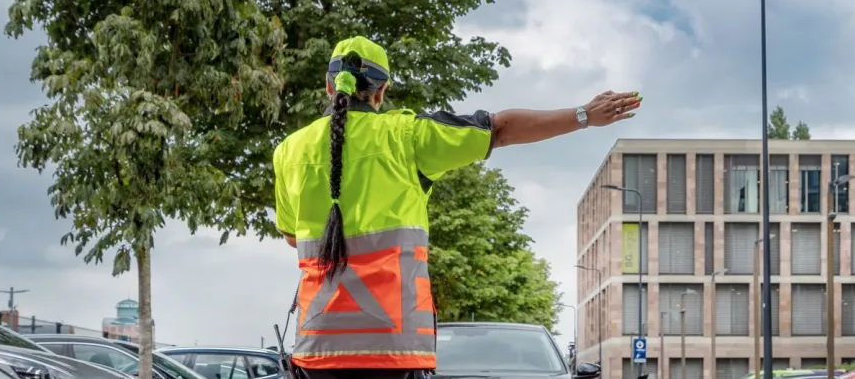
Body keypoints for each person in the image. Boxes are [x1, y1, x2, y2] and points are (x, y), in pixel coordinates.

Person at [273, 36, 641, 379]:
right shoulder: (407, 136)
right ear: (381, 92)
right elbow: (500, 129)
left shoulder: (289, 151)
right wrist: (584, 115)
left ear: (329, 85)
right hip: (395, 346)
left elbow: (292, 236)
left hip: (317, 345)